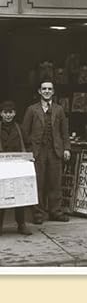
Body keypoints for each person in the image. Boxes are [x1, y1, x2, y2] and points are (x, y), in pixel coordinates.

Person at [22, 80, 71, 224]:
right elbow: (25, 132)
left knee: (55, 182)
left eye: (49, 89)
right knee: (38, 182)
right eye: (44, 89)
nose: (47, 91)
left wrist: (66, 148)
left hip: (55, 150)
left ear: (53, 91)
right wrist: (29, 150)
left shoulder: (59, 109)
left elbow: (64, 131)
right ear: (39, 91)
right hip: (38, 152)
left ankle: (55, 211)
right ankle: (38, 213)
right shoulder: (32, 110)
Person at [0, 100, 32, 236]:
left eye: (10, 112)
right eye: (5, 112)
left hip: (18, 167)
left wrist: (30, 156)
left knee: (20, 196)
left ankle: (21, 224)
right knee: (1, 197)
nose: (8, 115)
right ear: (1, 114)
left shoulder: (20, 129)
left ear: (14, 113)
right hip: (1, 167)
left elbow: (29, 145)